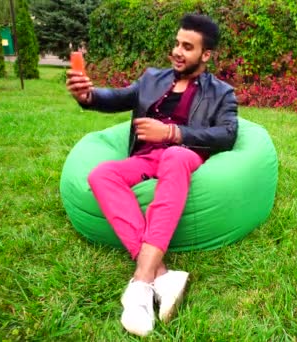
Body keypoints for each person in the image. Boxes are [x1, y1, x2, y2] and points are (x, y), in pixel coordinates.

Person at [65, 14, 238, 337]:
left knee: (173, 155)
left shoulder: (222, 93)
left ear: (206, 55)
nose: (177, 51)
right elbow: (116, 97)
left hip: (182, 155)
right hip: (145, 158)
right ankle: (162, 275)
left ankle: (141, 284)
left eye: (188, 47)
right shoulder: (152, 79)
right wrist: (87, 96)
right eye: (176, 43)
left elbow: (227, 134)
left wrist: (171, 132)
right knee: (102, 174)